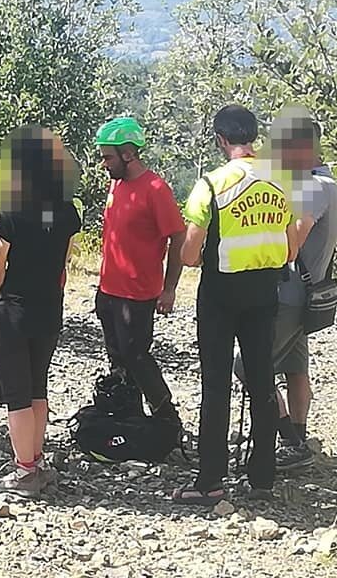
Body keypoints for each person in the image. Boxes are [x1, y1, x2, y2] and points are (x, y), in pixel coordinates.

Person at [175, 104, 298, 505]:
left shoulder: (211, 184)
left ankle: (210, 479)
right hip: (265, 292)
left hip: (220, 295)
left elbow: (190, 255)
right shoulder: (281, 181)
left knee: (216, 385)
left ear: (220, 140)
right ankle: (263, 476)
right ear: (254, 136)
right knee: (262, 382)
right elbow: (291, 245)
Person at [233, 112, 337, 471]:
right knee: (295, 368)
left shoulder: (313, 190)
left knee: (249, 367)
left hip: (289, 295)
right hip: (311, 294)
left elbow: (292, 244)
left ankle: (291, 443)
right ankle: (298, 434)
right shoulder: (328, 184)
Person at [0, 126, 81, 499]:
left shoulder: (11, 210)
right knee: (38, 385)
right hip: (50, 307)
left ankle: (24, 471)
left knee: (17, 394)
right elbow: (65, 260)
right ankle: (36, 461)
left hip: (15, 309)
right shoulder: (69, 210)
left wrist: (0, 295)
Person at [94, 117, 185, 426]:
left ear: (128, 155)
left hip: (138, 293)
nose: (103, 163)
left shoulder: (156, 189)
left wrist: (170, 287)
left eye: (108, 156)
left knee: (138, 356)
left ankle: (165, 416)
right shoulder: (116, 183)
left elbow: (178, 236)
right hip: (108, 290)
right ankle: (127, 414)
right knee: (117, 358)